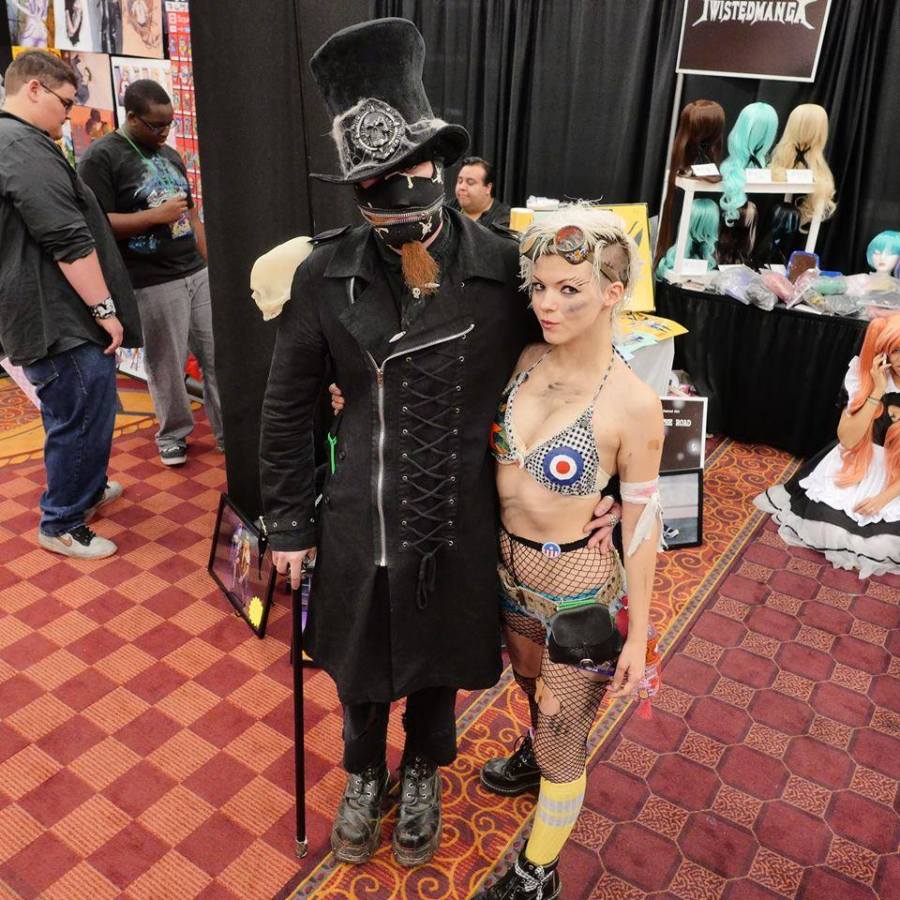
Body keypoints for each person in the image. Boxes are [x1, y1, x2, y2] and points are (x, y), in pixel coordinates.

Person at [258, 19, 619, 869]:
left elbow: (586, 376)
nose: (401, 211)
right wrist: (288, 523)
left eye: (412, 182)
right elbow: (287, 406)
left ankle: (422, 770)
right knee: (357, 661)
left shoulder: (506, 273)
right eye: (375, 190)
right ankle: (362, 772)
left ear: (442, 168)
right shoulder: (322, 275)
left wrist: (605, 485)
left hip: (457, 514)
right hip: (360, 510)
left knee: (435, 661)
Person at [0, 50, 141, 558]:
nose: (70, 113)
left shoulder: (22, 141)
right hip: (54, 316)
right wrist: (105, 311)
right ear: (34, 88)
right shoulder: (20, 146)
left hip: (53, 311)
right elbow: (67, 239)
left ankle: (85, 489)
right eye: (65, 101)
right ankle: (61, 520)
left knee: (84, 407)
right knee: (78, 411)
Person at [79, 79, 224, 465]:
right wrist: (153, 217)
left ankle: (230, 432)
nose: (164, 132)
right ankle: (173, 434)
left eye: (169, 124)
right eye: (155, 125)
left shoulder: (171, 155)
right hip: (150, 279)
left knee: (218, 356)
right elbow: (96, 224)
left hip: (194, 271)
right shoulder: (101, 158)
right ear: (131, 117)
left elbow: (192, 216)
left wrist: (210, 265)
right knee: (166, 364)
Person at [756, 314, 900, 578]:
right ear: (884, 352)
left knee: (884, 540)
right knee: (828, 527)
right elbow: (849, 439)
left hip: (896, 476)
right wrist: (876, 391)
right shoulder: (866, 377)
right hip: (857, 462)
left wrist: (883, 498)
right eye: (896, 350)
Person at [452, 155, 511, 229]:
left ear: (488, 188)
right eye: (460, 181)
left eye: (470, 182)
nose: (462, 187)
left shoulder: (503, 219)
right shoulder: (447, 209)